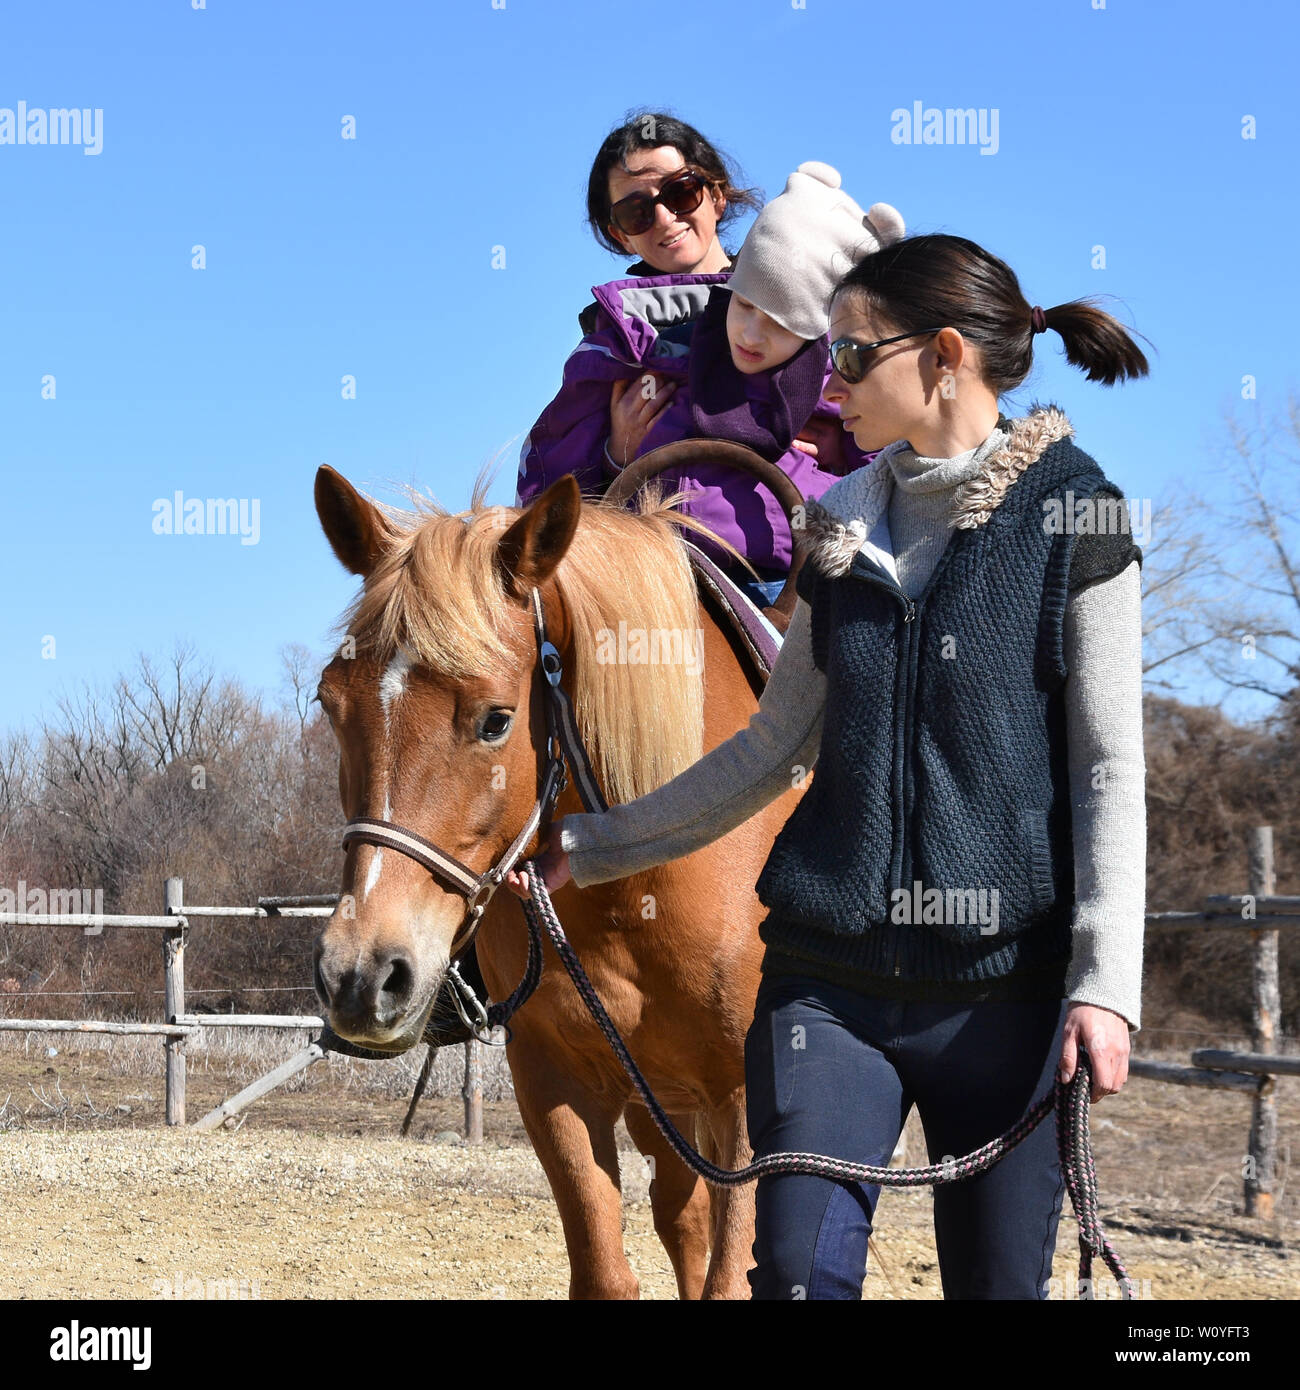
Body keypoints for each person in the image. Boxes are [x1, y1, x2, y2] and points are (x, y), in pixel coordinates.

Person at [508, 232, 1149, 1300]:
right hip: (829, 988)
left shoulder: (1077, 518)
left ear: (943, 355)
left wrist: (1105, 987)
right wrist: (594, 842)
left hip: (1009, 993)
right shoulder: (837, 526)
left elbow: (1107, 772)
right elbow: (769, 747)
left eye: (849, 355)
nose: (826, 378)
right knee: (796, 1280)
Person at [518, 163, 904, 605]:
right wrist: (614, 457)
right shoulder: (627, 349)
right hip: (649, 576)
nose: (751, 335)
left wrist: (843, 456)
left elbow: (891, 460)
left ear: (716, 196)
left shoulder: (836, 369)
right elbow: (551, 473)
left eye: (681, 192)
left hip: (783, 579)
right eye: (635, 211)